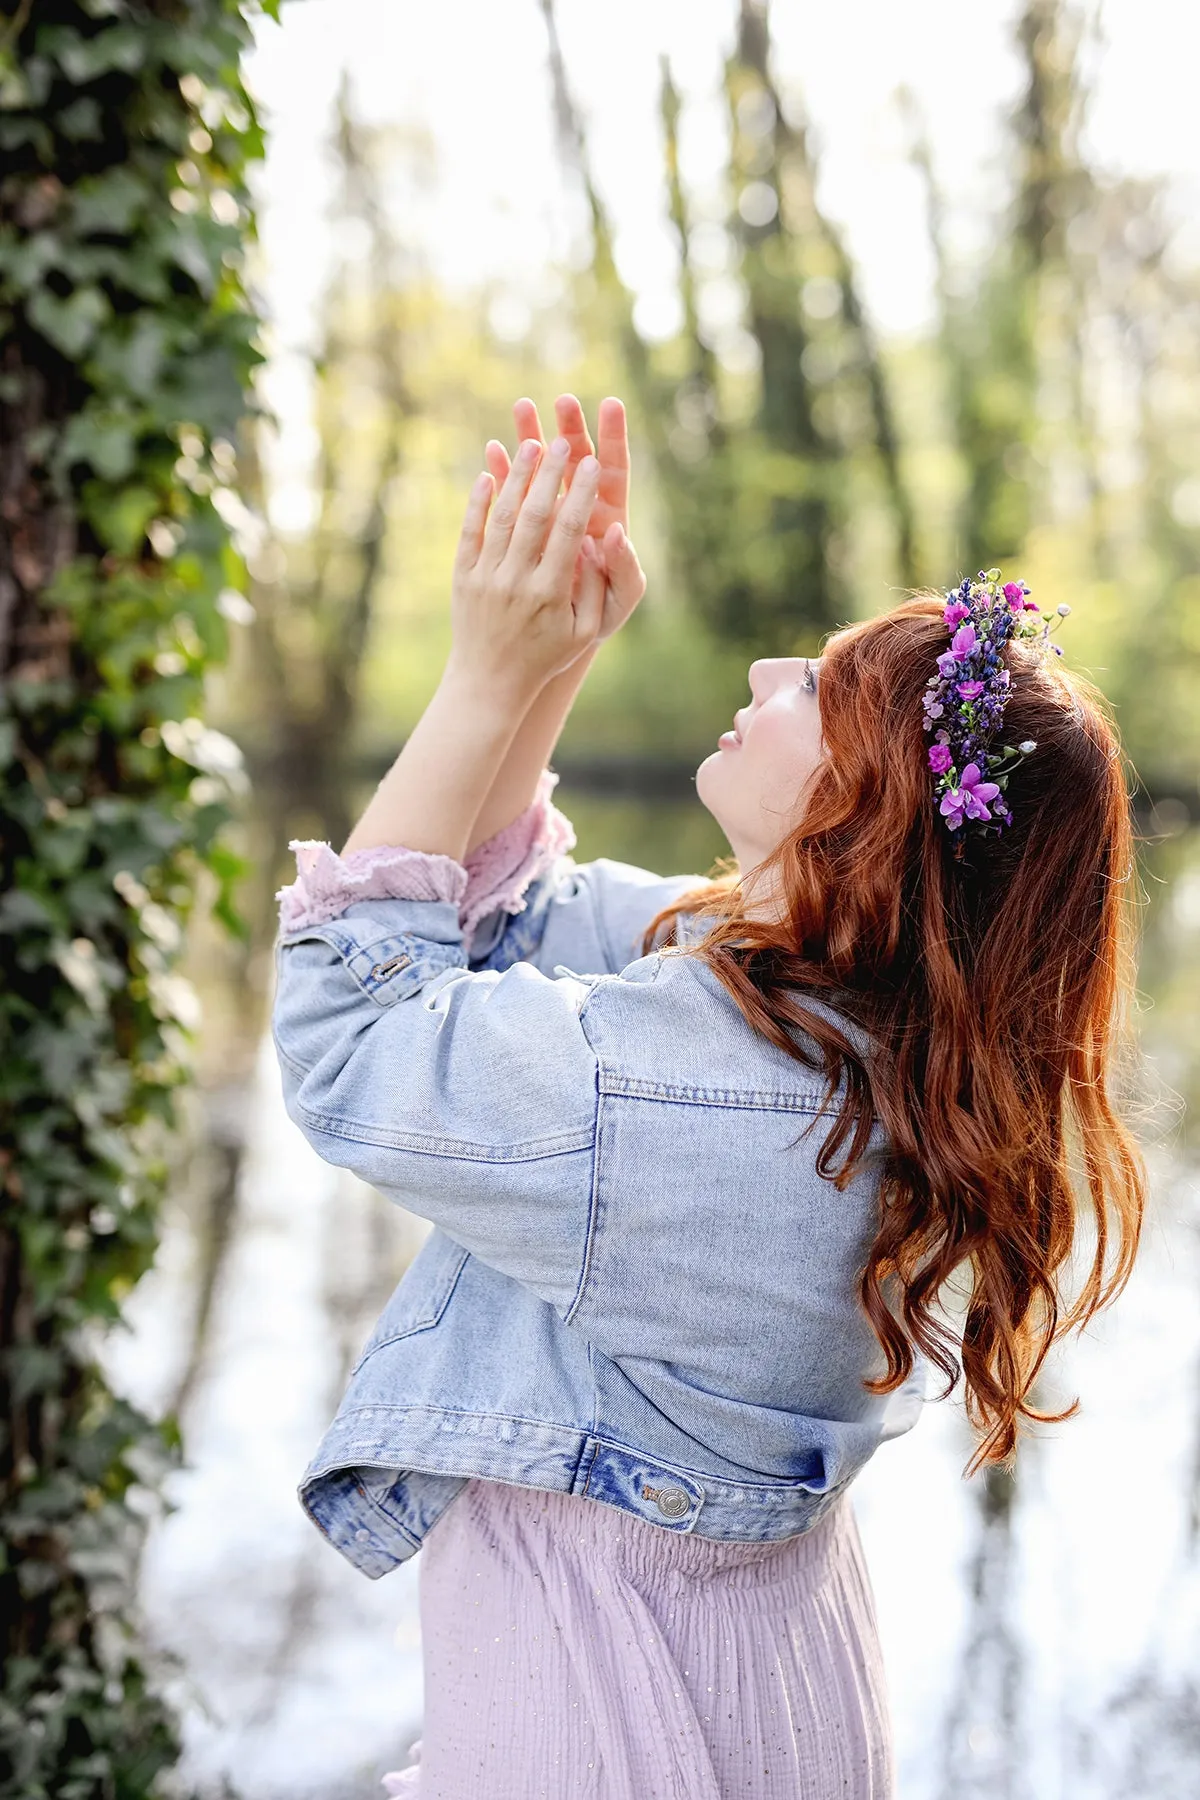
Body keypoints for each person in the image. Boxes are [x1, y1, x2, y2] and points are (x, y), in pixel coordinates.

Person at [271, 395, 1147, 1800]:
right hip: (722, 1684)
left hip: (612, 1720)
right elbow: (500, 923)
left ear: (871, 817)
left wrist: (481, 685)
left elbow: (351, 1028)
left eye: (824, 687)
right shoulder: (829, 1015)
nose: (766, 665)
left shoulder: (710, 1107)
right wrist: (554, 658)